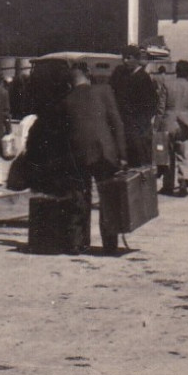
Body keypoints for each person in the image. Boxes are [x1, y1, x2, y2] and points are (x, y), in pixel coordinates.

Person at [64, 61, 128, 252]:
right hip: (104, 152)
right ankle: (109, 244)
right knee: (108, 198)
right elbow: (117, 123)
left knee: (79, 197)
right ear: (88, 74)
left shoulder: (67, 99)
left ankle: (78, 243)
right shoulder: (104, 91)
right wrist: (122, 154)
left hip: (78, 154)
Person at [155, 61, 188, 197]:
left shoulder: (167, 85)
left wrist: (156, 127)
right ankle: (184, 181)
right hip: (185, 124)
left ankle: (167, 186)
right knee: (184, 154)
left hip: (168, 123)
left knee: (168, 156)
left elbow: (160, 109)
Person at [109, 62, 159, 167]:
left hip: (136, 124)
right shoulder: (136, 78)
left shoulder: (138, 78)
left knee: (138, 155)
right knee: (142, 156)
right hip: (139, 125)